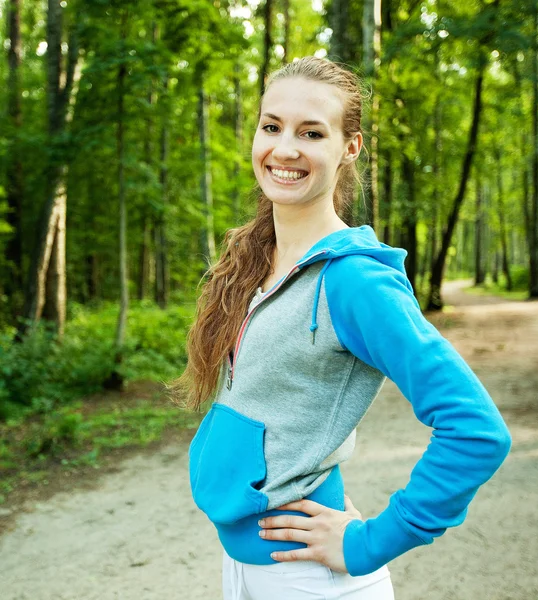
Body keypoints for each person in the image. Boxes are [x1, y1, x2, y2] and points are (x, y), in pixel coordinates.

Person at [168, 56, 512, 599]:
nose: (284, 149)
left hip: (310, 581)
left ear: (349, 147)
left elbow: (476, 429)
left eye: (311, 132)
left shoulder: (355, 282)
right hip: (248, 570)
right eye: (271, 126)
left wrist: (372, 541)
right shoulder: (261, 263)